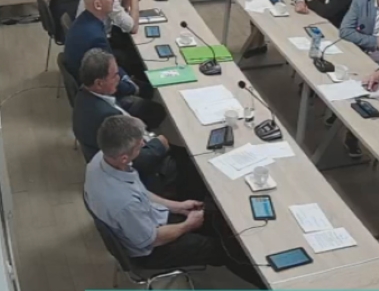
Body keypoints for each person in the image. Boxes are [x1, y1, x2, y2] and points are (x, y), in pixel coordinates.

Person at [84, 116, 265, 289]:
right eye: (139, 146)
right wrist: (188, 225)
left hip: (148, 221)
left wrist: (177, 206)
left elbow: (140, 193)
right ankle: (267, 281)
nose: (144, 145)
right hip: (152, 249)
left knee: (214, 218)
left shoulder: (102, 158)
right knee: (223, 249)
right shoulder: (123, 203)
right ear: (124, 157)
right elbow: (153, 239)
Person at [73, 49, 172, 193]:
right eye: (114, 75)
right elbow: (132, 160)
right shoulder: (106, 117)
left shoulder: (84, 93)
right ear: (99, 83)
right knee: (182, 160)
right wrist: (159, 145)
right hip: (124, 169)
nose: (118, 78)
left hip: (125, 139)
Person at [64, 0, 147, 99]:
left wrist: (126, 78)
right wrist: (133, 88)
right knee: (150, 97)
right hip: (96, 95)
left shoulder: (85, 19)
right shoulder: (96, 37)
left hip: (88, 81)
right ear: (98, 5)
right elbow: (107, 80)